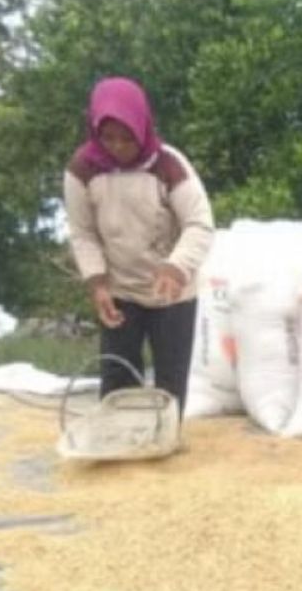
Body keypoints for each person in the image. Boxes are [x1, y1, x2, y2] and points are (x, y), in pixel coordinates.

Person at [63, 76, 213, 415]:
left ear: (143, 128)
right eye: (108, 137)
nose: (117, 147)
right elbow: (82, 232)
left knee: (170, 385)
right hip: (120, 291)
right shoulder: (81, 169)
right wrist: (97, 283)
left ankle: (164, 443)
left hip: (172, 290)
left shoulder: (168, 164)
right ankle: (120, 446)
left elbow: (200, 223)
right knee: (117, 379)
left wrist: (176, 267)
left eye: (127, 138)